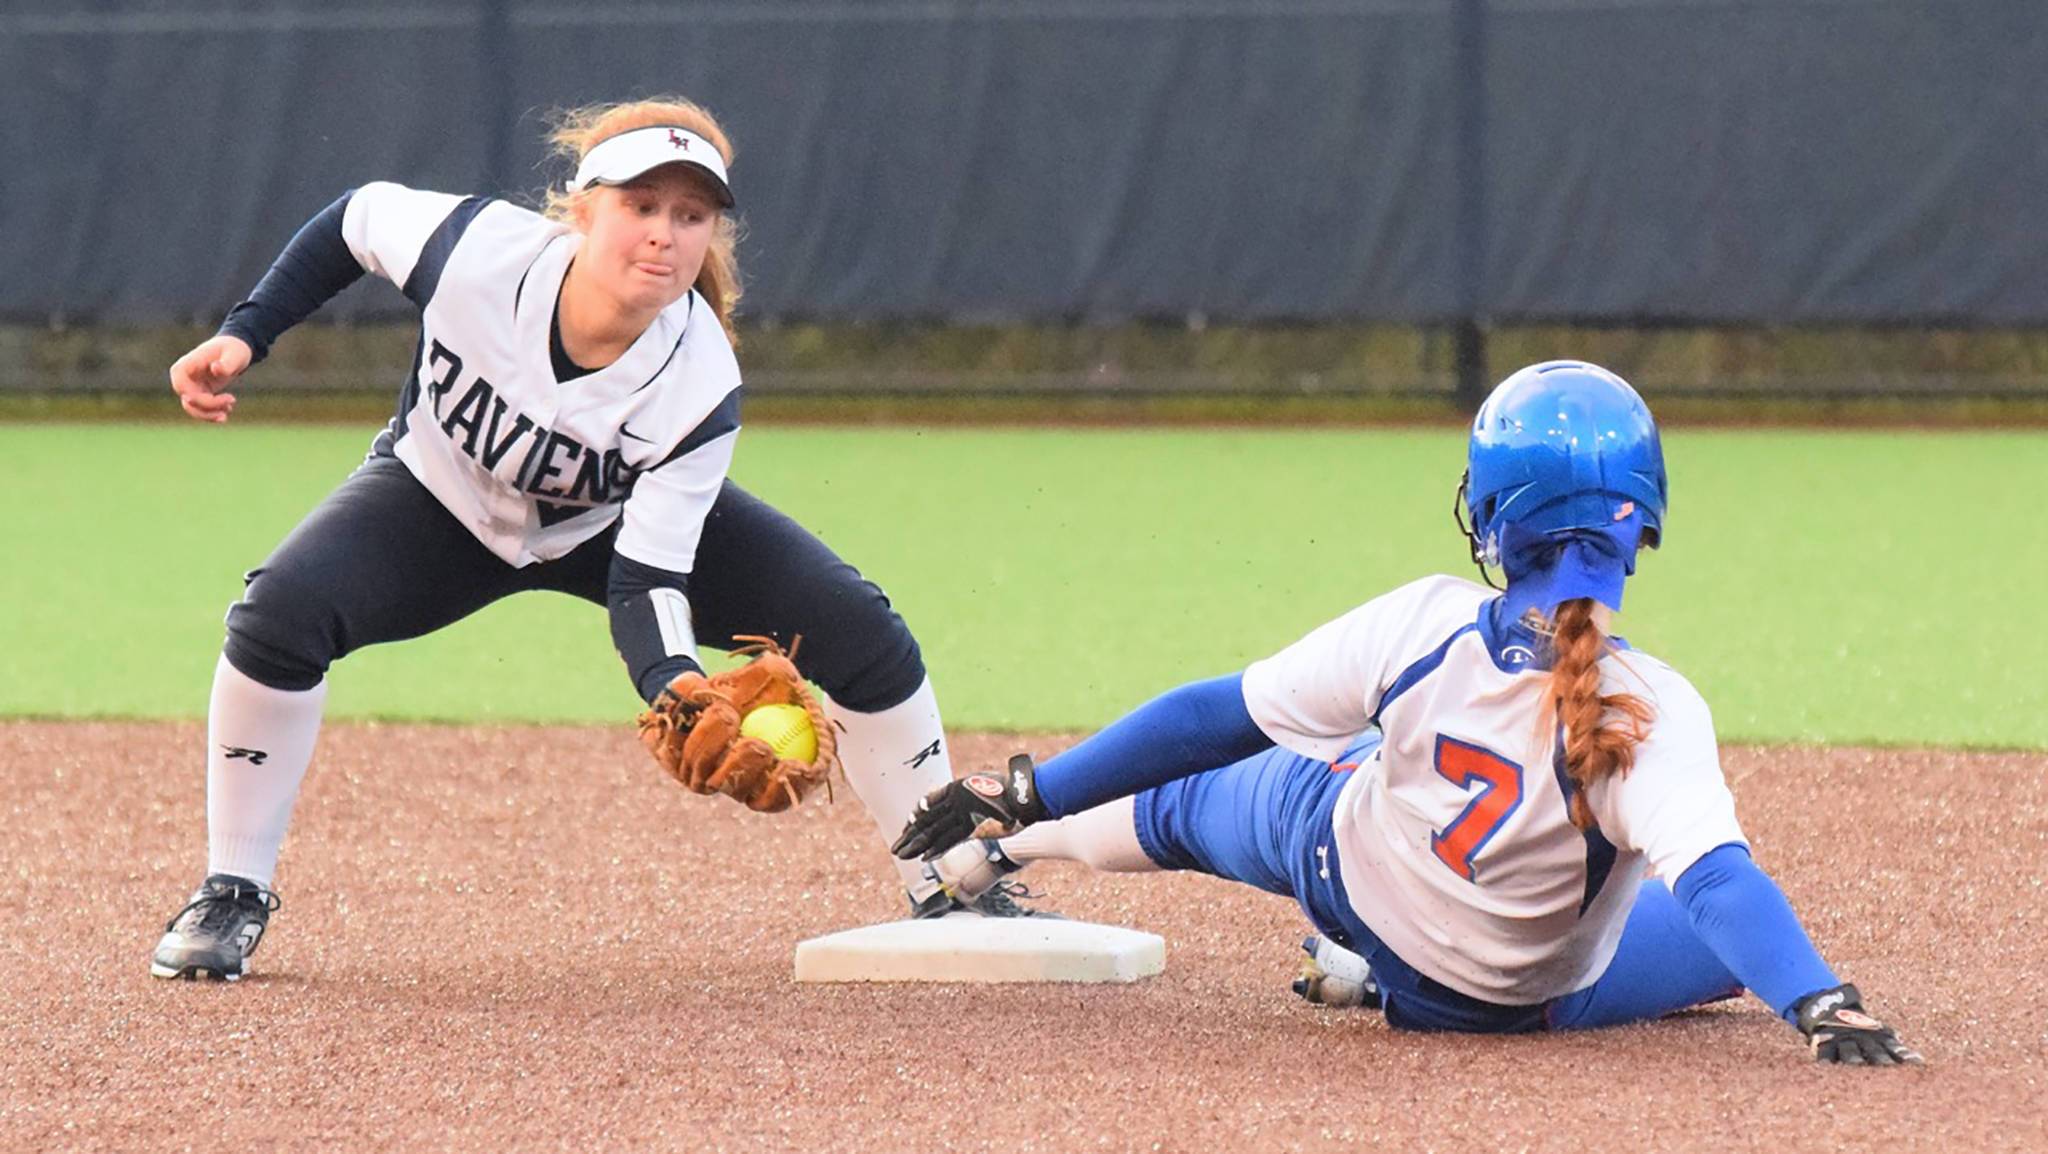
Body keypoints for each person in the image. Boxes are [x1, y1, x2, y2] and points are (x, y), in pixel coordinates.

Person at [153, 97, 1043, 982]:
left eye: (690, 215)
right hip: (435, 501)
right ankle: (232, 889)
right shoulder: (477, 252)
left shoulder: (698, 378)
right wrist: (246, 334)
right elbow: (353, 221)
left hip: (603, 529)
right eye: (640, 206)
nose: (664, 233)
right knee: (278, 615)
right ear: (583, 209)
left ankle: (949, 879)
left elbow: (648, 578)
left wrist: (676, 685)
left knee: (852, 627)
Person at [894, 361, 1920, 1065]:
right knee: (1717, 942)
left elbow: (1214, 715)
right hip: (1486, 1008)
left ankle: (994, 852)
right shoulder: (1650, 709)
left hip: (1345, 879)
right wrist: (1816, 999)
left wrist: (1031, 787)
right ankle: (1366, 982)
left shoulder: (1421, 623)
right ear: (1640, 522)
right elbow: (1719, 883)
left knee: (1221, 789)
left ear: (1491, 517)